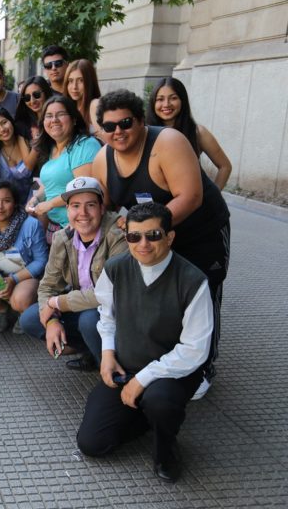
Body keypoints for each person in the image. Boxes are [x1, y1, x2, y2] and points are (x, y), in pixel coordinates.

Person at [91, 89, 230, 399]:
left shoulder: (167, 142)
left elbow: (190, 197)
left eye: (125, 123)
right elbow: (106, 205)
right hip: (154, 239)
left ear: (141, 120)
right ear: (101, 129)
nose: (119, 132)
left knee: (205, 292)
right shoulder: (102, 158)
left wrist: (148, 229)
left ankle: (204, 366)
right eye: (110, 126)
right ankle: (168, 361)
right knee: (163, 299)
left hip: (201, 232)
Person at [77, 202, 213, 483]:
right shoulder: (116, 268)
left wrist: (143, 379)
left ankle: (166, 447)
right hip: (126, 365)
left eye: (153, 235)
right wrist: (107, 353)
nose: (143, 244)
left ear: (170, 237)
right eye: (134, 236)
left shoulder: (193, 281)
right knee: (93, 444)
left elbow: (195, 349)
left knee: (160, 401)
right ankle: (145, 416)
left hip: (172, 374)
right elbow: (107, 314)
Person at [19, 177, 127, 370]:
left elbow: (109, 293)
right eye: (75, 206)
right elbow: (48, 285)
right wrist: (51, 320)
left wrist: (58, 303)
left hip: (116, 312)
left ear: (102, 208)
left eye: (90, 205)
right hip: (82, 305)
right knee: (31, 317)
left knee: (89, 320)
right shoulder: (63, 237)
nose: (82, 213)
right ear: (67, 209)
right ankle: (90, 351)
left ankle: (113, 369)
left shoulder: (117, 236)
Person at [0, 181, 48, 332]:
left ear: (15, 203)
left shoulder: (30, 224)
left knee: (20, 300)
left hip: (24, 275)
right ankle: (1, 309)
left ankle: (22, 313)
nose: (0, 206)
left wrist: (13, 280)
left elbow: (41, 260)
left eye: (6, 201)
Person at [26, 96, 101, 242]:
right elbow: (53, 185)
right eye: (49, 116)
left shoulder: (84, 145)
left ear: (73, 119)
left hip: (78, 228)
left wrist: (49, 204)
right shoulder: (53, 148)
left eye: (60, 114)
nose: (54, 120)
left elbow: (84, 189)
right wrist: (36, 198)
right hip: (55, 227)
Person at [147, 77, 232, 190]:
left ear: (183, 100)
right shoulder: (144, 132)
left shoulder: (198, 132)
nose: (166, 104)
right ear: (153, 103)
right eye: (160, 99)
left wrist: (214, 197)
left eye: (173, 98)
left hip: (191, 202)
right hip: (155, 204)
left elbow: (225, 166)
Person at [0, 105, 36, 204]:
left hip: (38, 197)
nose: (2, 129)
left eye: (4, 122)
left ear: (11, 121)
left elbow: (28, 170)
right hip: (11, 205)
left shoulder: (26, 139)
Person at [63, 59, 102, 138]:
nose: (74, 87)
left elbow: (107, 141)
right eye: (70, 81)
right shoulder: (69, 108)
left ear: (90, 82)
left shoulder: (94, 105)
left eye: (81, 80)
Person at [14, 76, 54, 141]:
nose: (32, 101)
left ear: (46, 92)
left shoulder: (57, 119)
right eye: (27, 97)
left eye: (37, 94)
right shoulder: (22, 126)